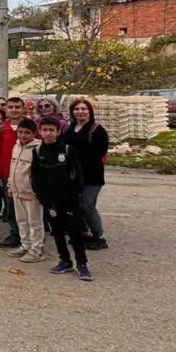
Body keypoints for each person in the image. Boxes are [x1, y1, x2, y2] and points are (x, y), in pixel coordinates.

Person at [32, 116, 91, 281]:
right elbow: (35, 177)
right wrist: (42, 197)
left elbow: (78, 175)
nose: (48, 133)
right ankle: (64, 260)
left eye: (52, 130)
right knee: (56, 231)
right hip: (50, 201)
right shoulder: (37, 152)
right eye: (45, 130)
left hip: (69, 200)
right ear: (40, 132)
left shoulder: (67, 150)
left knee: (74, 232)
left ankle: (82, 264)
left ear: (58, 132)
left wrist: (74, 195)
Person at [63, 99, 110, 250]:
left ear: (90, 111)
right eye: (76, 109)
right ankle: (83, 233)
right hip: (73, 176)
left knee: (87, 205)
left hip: (92, 176)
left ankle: (99, 237)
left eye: (84, 109)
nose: (80, 111)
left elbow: (98, 153)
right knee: (76, 206)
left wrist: (75, 157)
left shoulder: (97, 130)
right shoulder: (70, 129)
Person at [6, 119, 44, 263]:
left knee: (34, 222)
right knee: (21, 220)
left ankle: (37, 250)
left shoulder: (38, 148)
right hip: (17, 190)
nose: (23, 135)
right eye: (20, 132)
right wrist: (10, 185)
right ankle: (25, 245)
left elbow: (40, 173)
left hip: (31, 193)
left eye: (27, 133)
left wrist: (38, 191)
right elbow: (12, 167)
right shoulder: (16, 146)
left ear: (34, 133)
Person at [0, 97, 28, 250]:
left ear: (23, 108)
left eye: (17, 107)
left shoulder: (30, 126)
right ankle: (15, 233)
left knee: (27, 207)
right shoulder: (2, 128)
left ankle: (29, 236)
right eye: (11, 107)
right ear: (7, 109)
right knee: (11, 206)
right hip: (8, 174)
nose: (14, 110)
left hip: (25, 174)